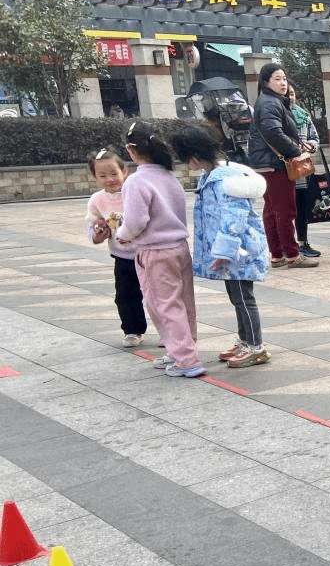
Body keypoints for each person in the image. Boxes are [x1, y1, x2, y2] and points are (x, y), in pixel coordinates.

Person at [171, 125, 272, 369]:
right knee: (237, 297)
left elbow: (233, 219)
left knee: (243, 298)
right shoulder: (213, 175)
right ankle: (246, 340)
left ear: (195, 156)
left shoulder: (225, 180)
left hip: (239, 252)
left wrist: (224, 251)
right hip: (231, 252)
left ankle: (256, 346)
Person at [115, 121, 205, 378]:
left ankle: (185, 359)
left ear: (131, 150)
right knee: (184, 302)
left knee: (164, 306)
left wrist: (122, 235)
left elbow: (135, 222)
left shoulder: (136, 181)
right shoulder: (168, 177)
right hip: (179, 247)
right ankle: (183, 350)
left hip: (154, 252)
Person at [246, 63, 317, 269]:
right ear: (266, 82)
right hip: (275, 164)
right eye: (277, 79)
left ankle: (277, 255)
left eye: (284, 79)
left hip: (266, 163)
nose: (283, 83)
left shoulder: (268, 101)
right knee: (285, 210)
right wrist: (295, 152)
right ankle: (292, 255)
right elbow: (273, 132)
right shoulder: (270, 103)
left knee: (272, 210)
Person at [86, 147, 148, 348]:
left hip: (147, 252)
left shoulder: (134, 191)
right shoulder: (97, 200)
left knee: (157, 294)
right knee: (125, 295)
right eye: (102, 176)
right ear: (95, 177)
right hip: (122, 256)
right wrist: (98, 233)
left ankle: (168, 331)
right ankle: (132, 330)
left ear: (124, 171)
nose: (110, 179)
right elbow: (93, 227)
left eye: (114, 173)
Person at [288, 86, 322, 260]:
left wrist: (310, 145)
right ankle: (287, 246)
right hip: (284, 169)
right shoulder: (276, 116)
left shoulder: (303, 115)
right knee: (286, 211)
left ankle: (302, 243)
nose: (290, 97)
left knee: (302, 208)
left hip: (302, 170)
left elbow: (315, 138)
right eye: (287, 94)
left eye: (292, 93)